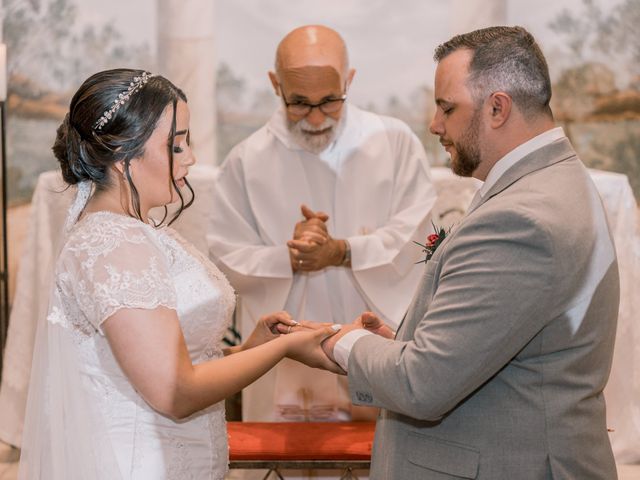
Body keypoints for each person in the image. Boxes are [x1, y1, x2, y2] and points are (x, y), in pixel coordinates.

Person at [318, 26, 620, 479]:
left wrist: (339, 342)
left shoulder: (524, 218)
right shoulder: (554, 180)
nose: (435, 124)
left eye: (446, 108)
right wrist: (397, 347)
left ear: (497, 107)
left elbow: (422, 384)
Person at [17, 68, 340, 480]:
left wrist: (251, 348)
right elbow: (173, 391)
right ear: (123, 154)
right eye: (177, 145)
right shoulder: (113, 244)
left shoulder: (139, 232)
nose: (191, 158)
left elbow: (157, 360)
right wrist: (282, 351)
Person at [208, 25, 437, 424]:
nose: (315, 117)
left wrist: (343, 251)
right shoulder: (246, 161)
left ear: (349, 80)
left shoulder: (395, 142)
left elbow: (418, 239)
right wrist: (290, 260)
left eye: (329, 101)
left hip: (372, 344)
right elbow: (224, 257)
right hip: (283, 354)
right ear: (274, 84)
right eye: (298, 102)